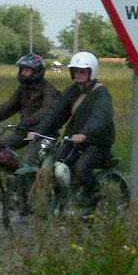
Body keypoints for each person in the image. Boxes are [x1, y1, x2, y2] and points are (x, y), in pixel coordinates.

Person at [27, 51, 115, 208]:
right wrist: (39, 131)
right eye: (75, 70)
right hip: (73, 140)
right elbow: (55, 112)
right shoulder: (71, 91)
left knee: (81, 168)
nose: (78, 74)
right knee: (55, 165)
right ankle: (64, 201)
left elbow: (101, 118)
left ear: (91, 72)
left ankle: (95, 200)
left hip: (97, 142)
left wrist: (85, 134)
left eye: (83, 71)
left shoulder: (101, 93)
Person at [0, 53, 59, 168]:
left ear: (38, 71)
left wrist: (27, 122)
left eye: (28, 70)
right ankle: (16, 178)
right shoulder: (23, 88)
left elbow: (46, 110)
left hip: (43, 133)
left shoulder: (48, 90)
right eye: (22, 70)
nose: (24, 73)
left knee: (30, 159)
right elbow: (8, 107)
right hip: (24, 131)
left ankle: (30, 182)